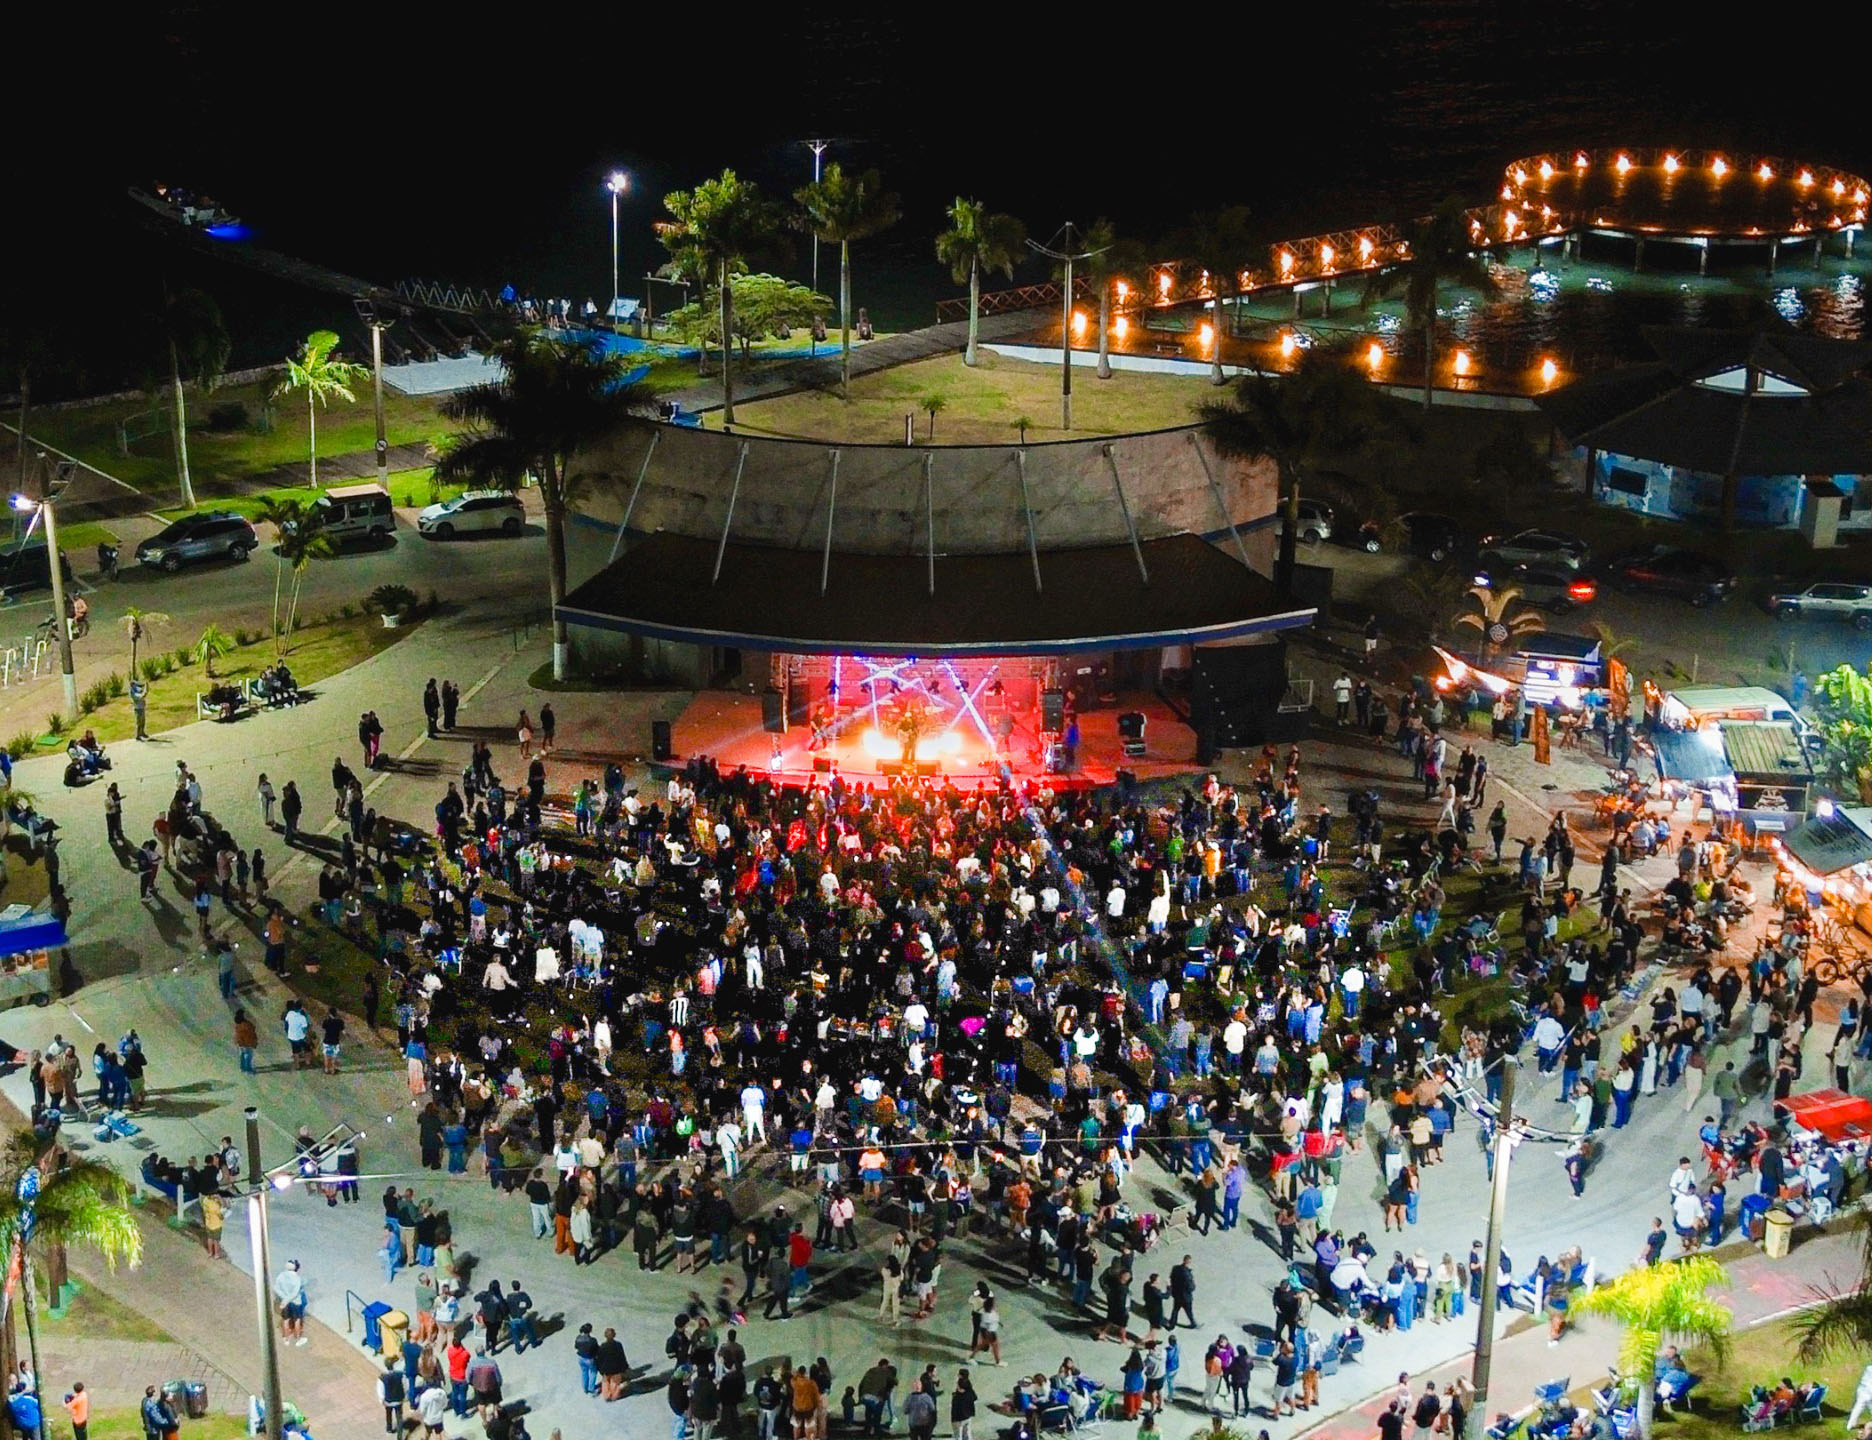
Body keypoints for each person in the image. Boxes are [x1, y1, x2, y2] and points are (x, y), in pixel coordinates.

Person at [274, 1259, 308, 1345]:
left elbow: (276, 1288)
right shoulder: (297, 1278)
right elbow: (295, 1293)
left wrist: (284, 1299)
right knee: (297, 1320)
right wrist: (287, 1299)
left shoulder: (281, 1276)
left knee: (286, 1320)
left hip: (285, 1303)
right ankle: (298, 1339)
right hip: (296, 1302)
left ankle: (286, 1338)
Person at [378, 1359, 406, 1435]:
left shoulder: (382, 1378)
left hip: (388, 1401)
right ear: (393, 1365)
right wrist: (405, 1396)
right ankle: (400, 1435)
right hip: (398, 1400)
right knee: (399, 1417)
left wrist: (382, 1401)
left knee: (388, 1415)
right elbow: (405, 1386)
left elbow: (381, 1391)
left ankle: (389, 1429)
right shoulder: (400, 1375)